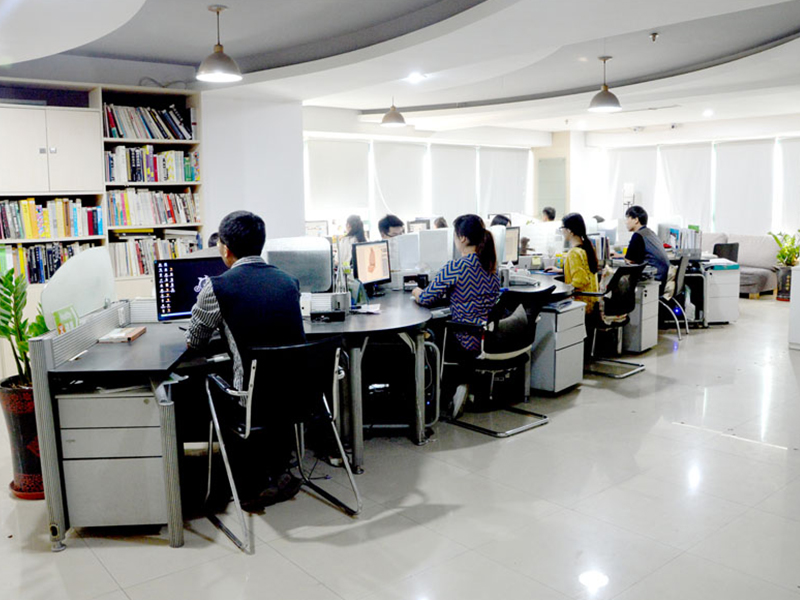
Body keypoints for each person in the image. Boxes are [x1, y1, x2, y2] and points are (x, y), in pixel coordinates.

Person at [186, 210, 306, 511]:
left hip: (252, 399)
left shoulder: (217, 286)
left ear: (225, 248)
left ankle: (238, 483)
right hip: (296, 394)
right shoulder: (289, 281)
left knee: (202, 386)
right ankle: (277, 471)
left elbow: (195, 341)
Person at [412, 214, 500, 415]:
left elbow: (426, 298)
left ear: (462, 238)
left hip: (465, 337)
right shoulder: (491, 264)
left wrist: (416, 291)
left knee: (429, 333)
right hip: (488, 336)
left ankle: (439, 395)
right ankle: (464, 385)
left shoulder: (457, 266)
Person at [548, 213, 600, 313]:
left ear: (570, 231)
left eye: (562, 228)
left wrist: (563, 288)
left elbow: (580, 281)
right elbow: (584, 271)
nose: (562, 231)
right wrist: (562, 270)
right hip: (591, 302)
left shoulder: (574, 253)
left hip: (581, 304)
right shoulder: (587, 248)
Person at [620, 205, 669, 284]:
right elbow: (636, 256)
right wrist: (619, 255)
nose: (626, 222)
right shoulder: (649, 233)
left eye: (628, 218)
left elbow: (629, 261)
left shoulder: (638, 235)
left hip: (653, 279)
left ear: (636, 220)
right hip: (662, 277)